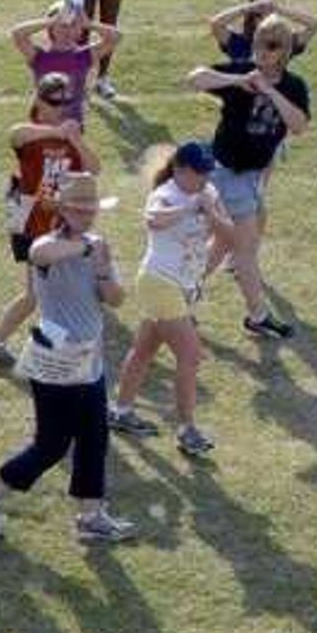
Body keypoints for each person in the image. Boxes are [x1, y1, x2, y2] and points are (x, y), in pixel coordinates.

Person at [0, 161, 132, 546]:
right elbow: (39, 253)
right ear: (63, 211)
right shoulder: (54, 244)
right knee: (50, 446)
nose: (87, 214)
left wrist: (101, 269)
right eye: (79, 209)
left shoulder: (97, 247)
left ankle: (91, 515)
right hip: (55, 362)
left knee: (95, 437)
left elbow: (116, 299)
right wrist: (86, 248)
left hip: (88, 361)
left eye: (90, 209)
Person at [183, 7, 314, 337]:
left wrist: (271, 93)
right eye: (259, 44)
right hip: (226, 173)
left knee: (226, 244)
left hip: (251, 177)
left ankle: (185, 297)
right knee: (243, 249)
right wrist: (238, 80)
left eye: (271, 46)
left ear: (285, 51)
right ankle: (256, 314)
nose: (262, 52)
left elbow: (298, 126)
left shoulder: (294, 86)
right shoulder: (242, 72)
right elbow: (195, 77)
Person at [115, 142, 238, 455]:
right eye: (199, 172)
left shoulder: (208, 192)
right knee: (191, 356)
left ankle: (121, 411)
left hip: (180, 287)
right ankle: (186, 429)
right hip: (159, 282)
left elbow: (232, 236)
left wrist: (211, 211)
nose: (205, 177)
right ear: (180, 170)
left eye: (208, 171)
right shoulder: (165, 193)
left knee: (144, 349)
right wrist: (191, 206)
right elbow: (154, 220)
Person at [0, 71, 91, 367]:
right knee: (45, 294)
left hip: (52, 222)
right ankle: (42, 353)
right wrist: (56, 132)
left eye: (67, 102)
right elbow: (16, 135)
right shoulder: (33, 134)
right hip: (30, 221)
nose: (62, 108)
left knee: (37, 295)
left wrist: (76, 141)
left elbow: (94, 167)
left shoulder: (70, 137)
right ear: (39, 101)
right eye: (55, 102)